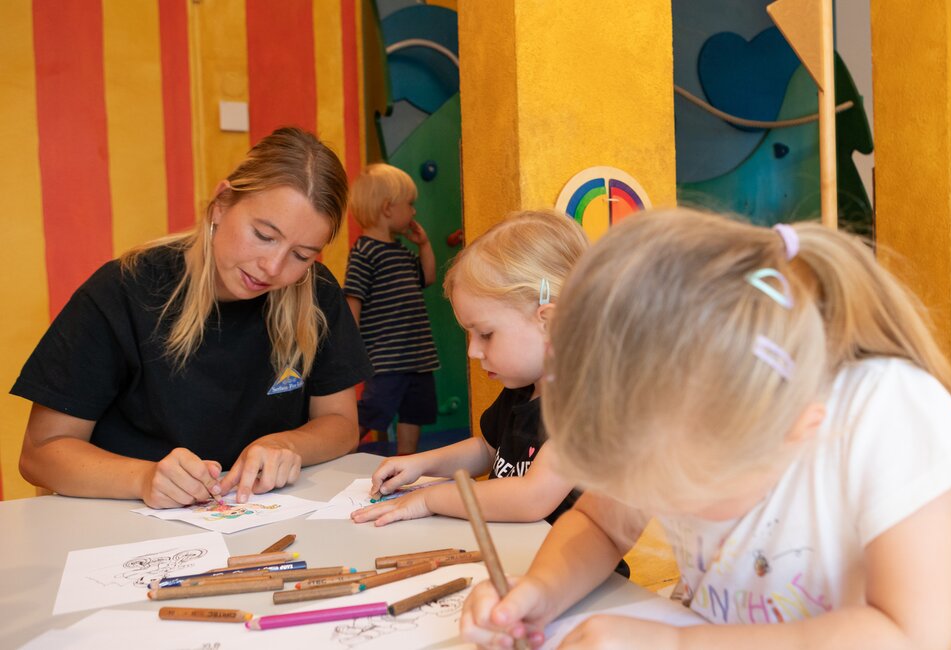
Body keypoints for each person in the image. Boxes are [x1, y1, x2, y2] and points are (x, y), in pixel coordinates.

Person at [460, 209, 951, 649]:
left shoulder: (886, 412)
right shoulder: (674, 393)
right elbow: (602, 525)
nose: (647, 501)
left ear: (793, 428)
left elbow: (911, 635)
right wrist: (538, 593)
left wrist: (678, 645)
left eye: (670, 491)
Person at [14, 127, 372, 509]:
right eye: (264, 235)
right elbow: (40, 453)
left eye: (301, 255)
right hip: (124, 524)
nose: (272, 267)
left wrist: (286, 443)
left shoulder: (316, 293)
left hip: (257, 520)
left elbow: (341, 423)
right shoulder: (122, 291)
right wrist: (143, 477)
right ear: (221, 203)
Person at [350, 209, 586, 527]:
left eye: (486, 334)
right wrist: (421, 463)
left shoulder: (583, 410)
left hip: (572, 575)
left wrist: (429, 499)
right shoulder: (521, 392)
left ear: (549, 323)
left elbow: (532, 498)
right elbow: (488, 450)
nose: (473, 351)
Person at [344, 163, 439, 456]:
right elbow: (353, 300)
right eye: (409, 205)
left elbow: (428, 277)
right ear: (387, 209)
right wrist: (352, 347)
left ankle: (406, 458)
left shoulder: (401, 251)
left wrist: (424, 246)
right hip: (386, 359)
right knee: (375, 409)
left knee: (416, 411)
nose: (413, 212)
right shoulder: (364, 252)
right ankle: (339, 448)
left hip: (418, 357)